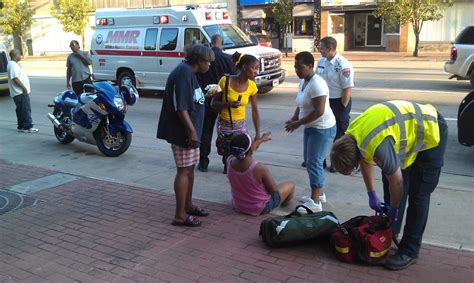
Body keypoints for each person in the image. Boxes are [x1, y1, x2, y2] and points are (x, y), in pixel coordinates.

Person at [330, 100, 448, 271]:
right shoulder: (351, 136)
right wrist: (372, 194)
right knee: (392, 188)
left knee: (418, 195)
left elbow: (397, 181)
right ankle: (390, 234)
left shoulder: (378, 145)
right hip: (408, 136)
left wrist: (394, 208)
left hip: (431, 130)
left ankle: (410, 251)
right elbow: (365, 161)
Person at [157, 44, 215, 227]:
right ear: (198, 61)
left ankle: (188, 205)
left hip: (191, 132)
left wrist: (206, 97)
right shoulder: (183, 73)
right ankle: (180, 215)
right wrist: (191, 132)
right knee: (183, 170)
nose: (210, 66)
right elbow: (181, 108)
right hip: (183, 132)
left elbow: (191, 100)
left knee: (189, 169)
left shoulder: (190, 73)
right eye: (208, 62)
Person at [285, 51, 336, 213]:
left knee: (314, 162)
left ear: (310, 66)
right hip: (311, 127)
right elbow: (300, 103)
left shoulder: (317, 84)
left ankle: (315, 202)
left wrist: (297, 123)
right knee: (310, 161)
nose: (297, 70)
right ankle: (318, 194)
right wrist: (294, 118)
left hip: (322, 128)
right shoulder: (304, 81)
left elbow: (319, 111)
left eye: (300, 67)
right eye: (295, 67)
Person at [211, 52, 261, 174]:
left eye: (257, 69)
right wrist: (228, 104)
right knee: (227, 156)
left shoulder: (252, 87)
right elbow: (213, 104)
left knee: (242, 155)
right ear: (244, 67)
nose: (256, 72)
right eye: (254, 68)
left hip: (241, 127)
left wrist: (258, 134)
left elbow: (255, 111)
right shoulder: (225, 81)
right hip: (224, 125)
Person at [227, 132, 294, 216]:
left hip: (238, 206)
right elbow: (273, 191)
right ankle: (287, 205)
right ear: (251, 149)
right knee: (291, 185)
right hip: (259, 208)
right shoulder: (259, 168)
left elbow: (247, 150)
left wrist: (261, 140)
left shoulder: (229, 161)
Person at [196, 34, 235, 172]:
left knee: (205, 132)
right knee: (225, 134)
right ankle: (226, 164)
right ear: (222, 43)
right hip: (224, 103)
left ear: (211, 43)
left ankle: (203, 162)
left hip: (207, 101)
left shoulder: (204, 60)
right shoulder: (228, 59)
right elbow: (234, 80)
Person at [315, 36, 354, 172]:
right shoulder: (321, 61)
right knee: (322, 130)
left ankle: (336, 163)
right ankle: (320, 160)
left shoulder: (343, 65)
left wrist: (342, 108)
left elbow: (347, 89)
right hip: (324, 101)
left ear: (330, 49)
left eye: (321, 48)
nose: (319, 50)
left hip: (339, 102)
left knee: (338, 134)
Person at [7, 49, 38, 133]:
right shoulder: (13, 65)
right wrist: (24, 88)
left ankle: (21, 126)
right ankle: (28, 127)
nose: (20, 56)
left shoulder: (14, 64)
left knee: (20, 110)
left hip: (18, 92)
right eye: (19, 54)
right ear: (14, 56)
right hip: (20, 92)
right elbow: (15, 78)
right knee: (25, 109)